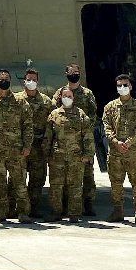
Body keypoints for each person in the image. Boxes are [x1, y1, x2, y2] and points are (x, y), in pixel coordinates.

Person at [0, 69, 33, 224]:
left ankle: (23, 213)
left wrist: (27, 145)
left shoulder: (20, 101)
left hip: (16, 151)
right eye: (1, 79)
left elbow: (28, 125)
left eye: (7, 78)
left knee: (19, 183)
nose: (4, 81)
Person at [43, 86, 95, 223]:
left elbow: (88, 136)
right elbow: (48, 137)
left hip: (76, 157)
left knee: (75, 186)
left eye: (70, 96)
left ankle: (74, 213)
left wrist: (88, 154)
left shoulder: (81, 114)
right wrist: (46, 154)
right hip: (57, 157)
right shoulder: (54, 115)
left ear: (73, 98)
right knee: (56, 186)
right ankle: (56, 212)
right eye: (64, 96)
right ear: (60, 98)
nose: (67, 98)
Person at [103, 74, 136, 224]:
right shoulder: (109, 107)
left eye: (125, 85)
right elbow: (107, 127)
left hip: (133, 152)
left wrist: (128, 143)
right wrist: (115, 142)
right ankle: (118, 211)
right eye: (119, 85)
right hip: (115, 153)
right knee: (116, 183)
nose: (122, 88)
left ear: (130, 86)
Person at [54, 63, 99, 216]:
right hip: (65, 143)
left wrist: (84, 132)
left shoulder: (87, 94)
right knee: (67, 177)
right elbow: (55, 113)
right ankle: (68, 205)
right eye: (71, 72)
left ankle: (89, 203)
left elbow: (93, 115)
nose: (74, 74)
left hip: (82, 141)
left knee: (87, 174)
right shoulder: (60, 93)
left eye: (77, 72)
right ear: (66, 74)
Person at [16, 67, 54, 218]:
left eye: (34, 80)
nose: (31, 82)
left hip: (38, 147)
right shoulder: (17, 99)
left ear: (38, 81)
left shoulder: (46, 101)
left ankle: (34, 207)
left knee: (37, 180)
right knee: (18, 179)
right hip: (20, 146)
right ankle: (18, 208)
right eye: (29, 79)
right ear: (24, 81)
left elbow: (51, 125)